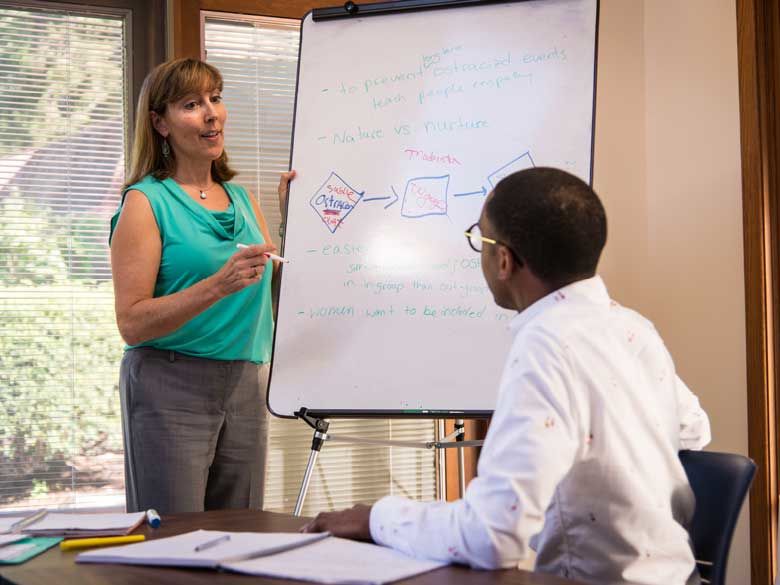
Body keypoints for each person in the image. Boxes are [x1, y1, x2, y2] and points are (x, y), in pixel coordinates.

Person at [303, 167, 711, 585]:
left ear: (504, 260)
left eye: (480, 238)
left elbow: (492, 537)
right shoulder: (634, 328)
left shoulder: (547, 344)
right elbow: (694, 429)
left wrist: (376, 518)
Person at [109, 57, 295, 514]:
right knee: (175, 538)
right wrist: (217, 285)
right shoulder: (144, 202)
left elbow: (273, 298)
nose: (212, 113)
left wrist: (297, 228)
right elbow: (132, 323)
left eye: (216, 98)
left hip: (247, 383)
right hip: (170, 385)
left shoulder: (243, 198)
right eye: (191, 104)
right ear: (160, 123)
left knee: (240, 533)